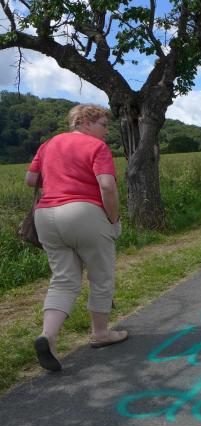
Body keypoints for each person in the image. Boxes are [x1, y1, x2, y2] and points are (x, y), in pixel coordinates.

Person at [25, 104, 128, 372]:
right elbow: (107, 186)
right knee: (101, 274)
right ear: (84, 121)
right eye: (103, 125)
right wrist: (113, 220)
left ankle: (48, 337)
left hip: (46, 216)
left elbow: (30, 179)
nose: (107, 131)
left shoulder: (48, 145)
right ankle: (100, 333)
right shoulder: (97, 147)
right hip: (84, 213)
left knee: (63, 279)